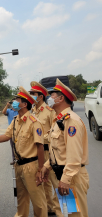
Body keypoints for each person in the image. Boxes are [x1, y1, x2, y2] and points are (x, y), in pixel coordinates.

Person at [0, 87, 47, 217]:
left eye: (17, 100)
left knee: (38, 203)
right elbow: (6, 136)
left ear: (24, 104)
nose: (14, 102)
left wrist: (40, 170)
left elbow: (40, 147)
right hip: (19, 166)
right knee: (21, 202)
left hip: (31, 167)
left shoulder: (34, 122)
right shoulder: (16, 120)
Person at [40, 79, 89, 217]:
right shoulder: (59, 120)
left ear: (61, 98)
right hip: (62, 174)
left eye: (52, 95)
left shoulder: (70, 121)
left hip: (72, 177)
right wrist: (46, 166)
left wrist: (66, 179)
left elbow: (74, 155)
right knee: (61, 212)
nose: (49, 98)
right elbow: (58, 150)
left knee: (74, 215)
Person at [29, 81, 61, 216]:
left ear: (40, 96)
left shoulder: (49, 112)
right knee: (45, 182)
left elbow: (56, 131)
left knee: (57, 182)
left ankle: (68, 210)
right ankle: (50, 208)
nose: (31, 96)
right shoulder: (33, 111)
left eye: (33, 94)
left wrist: (43, 139)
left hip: (50, 151)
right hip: (38, 152)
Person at [2, 98, 18, 163]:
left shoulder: (18, 111)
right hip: (11, 131)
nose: (14, 104)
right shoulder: (9, 110)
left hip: (18, 130)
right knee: (13, 145)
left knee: (19, 144)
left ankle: (20, 157)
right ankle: (14, 159)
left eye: (15, 103)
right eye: (13, 103)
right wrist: (6, 106)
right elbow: (3, 112)